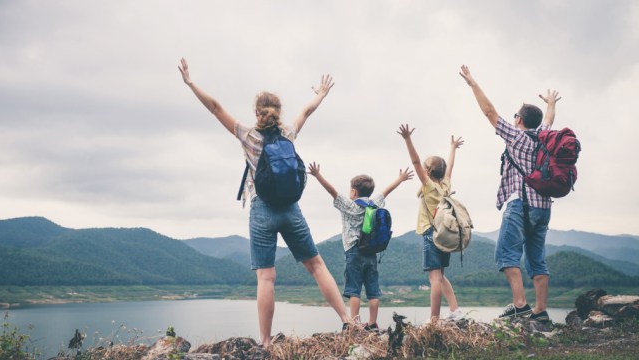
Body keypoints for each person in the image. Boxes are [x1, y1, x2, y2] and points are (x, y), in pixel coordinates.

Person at [178, 58, 351, 347]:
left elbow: (215, 108)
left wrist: (190, 83)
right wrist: (321, 93)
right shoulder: (288, 133)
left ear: (257, 113)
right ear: (278, 112)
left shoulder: (249, 137)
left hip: (262, 209)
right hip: (291, 209)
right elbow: (307, 111)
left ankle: (266, 341)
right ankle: (347, 320)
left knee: (266, 277)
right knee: (317, 265)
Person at [459, 64, 561, 322]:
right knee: (537, 258)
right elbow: (548, 120)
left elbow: (489, 111)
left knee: (506, 254)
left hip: (520, 204)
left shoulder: (517, 137)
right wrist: (551, 103)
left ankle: (520, 304)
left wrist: (472, 83)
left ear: (518, 119)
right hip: (543, 208)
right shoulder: (543, 137)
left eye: (515, 115)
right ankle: (540, 310)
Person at [307, 162, 414, 330]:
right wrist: (400, 179)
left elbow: (332, 191)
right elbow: (386, 191)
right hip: (371, 252)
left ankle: (354, 323)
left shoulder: (349, 205)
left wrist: (318, 175)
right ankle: (372, 324)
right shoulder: (374, 203)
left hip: (353, 253)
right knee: (373, 291)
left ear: (353, 191)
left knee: (354, 290)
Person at [397, 124, 465, 323]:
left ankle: (433, 321)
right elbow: (450, 167)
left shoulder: (428, 186)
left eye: (424, 168)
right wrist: (452, 148)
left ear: (427, 171)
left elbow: (415, 161)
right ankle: (455, 310)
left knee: (434, 278)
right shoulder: (445, 185)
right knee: (441, 276)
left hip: (431, 233)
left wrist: (407, 139)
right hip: (444, 234)